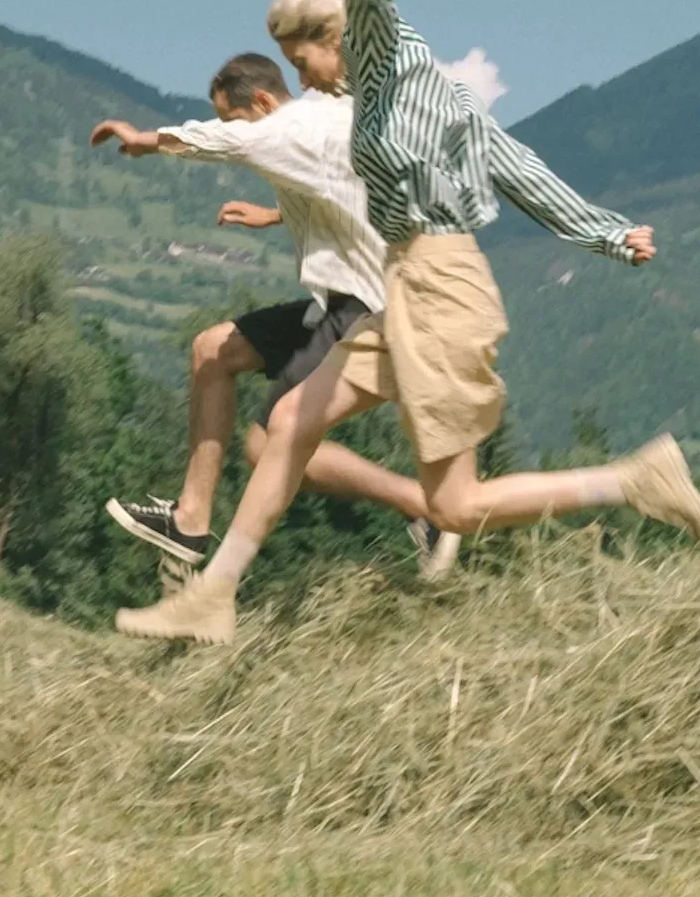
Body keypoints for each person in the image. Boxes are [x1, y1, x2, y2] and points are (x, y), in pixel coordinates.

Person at [113, 0, 700, 645]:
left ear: (337, 40)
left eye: (302, 61)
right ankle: (214, 596)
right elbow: (485, 168)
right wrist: (608, 233)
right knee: (289, 423)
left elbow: (501, 157)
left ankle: (632, 481)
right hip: (401, 285)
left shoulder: (395, 87)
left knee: (454, 506)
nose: (300, 79)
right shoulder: (372, 110)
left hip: (441, 291)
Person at [89, 52, 459, 578]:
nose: (234, 131)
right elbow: (334, 180)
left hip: (367, 309)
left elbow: (221, 142)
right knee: (211, 351)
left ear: (263, 101)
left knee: (265, 448)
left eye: (234, 119)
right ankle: (189, 521)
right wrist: (275, 214)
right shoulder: (314, 124)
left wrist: (146, 140)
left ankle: (425, 508)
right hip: (335, 303)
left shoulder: (287, 129)